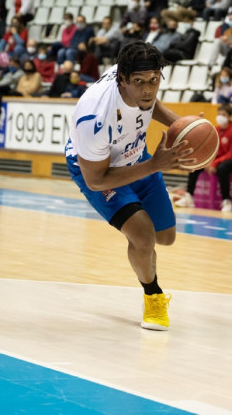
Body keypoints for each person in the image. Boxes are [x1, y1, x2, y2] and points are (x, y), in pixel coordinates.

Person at [65, 41, 195, 331]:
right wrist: (154, 166)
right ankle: (154, 296)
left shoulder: (136, 74)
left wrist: (181, 126)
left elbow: (150, 103)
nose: (148, 89)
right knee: (143, 234)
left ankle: (138, 242)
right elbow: (96, 180)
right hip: (98, 170)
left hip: (136, 156)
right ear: (122, 79)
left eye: (154, 80)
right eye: (139, 82)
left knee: (166, 237)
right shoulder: (94, 118)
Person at [177, 104, 232, 212]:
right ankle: (189, 196)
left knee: (222, 168)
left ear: (229, 117)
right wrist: (208, 161)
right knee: (197, 164)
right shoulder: (216, 130)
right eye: (219, 114)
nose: (220, 116)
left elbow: (231, 154)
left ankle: (227, 201)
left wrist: (214, 163)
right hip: (218, 160)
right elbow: (212, 149)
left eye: (224, 114)